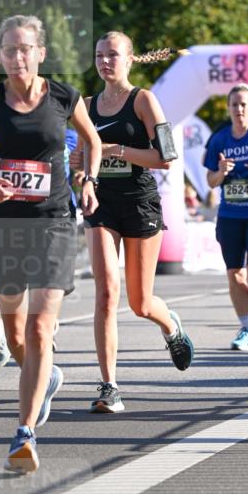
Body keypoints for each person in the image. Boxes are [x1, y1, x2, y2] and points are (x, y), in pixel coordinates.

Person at [0, 14, 103, 472]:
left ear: (40, 52)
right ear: (0, 57)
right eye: (9, 50)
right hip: (5, 225)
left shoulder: (62, 96)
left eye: (26, 49)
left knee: (39, 328)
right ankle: (45, 378)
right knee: (15, 331)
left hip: (54, 221)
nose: (18, 57)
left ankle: (25, 433)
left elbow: (91, 141)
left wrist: (88, 180)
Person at [78, 31, 194, 412]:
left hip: (140, 203)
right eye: (99, 55)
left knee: (140, 302)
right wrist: (81, 175)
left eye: (113, 55)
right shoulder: (87, 105)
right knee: (106, 293)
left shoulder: (143, 100)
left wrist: (116, 150)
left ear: (130, 59)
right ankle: (109, 386)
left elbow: (166, 157)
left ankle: (170, 327)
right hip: (102, 205)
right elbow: (78, 158)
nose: (105, 61)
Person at [204, 83, 248, 350]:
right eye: (234, 104)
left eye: (243, 104)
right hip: (230, 213)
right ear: (229, 107)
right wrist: (221, 171)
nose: (239, 109)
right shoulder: (220, 139)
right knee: (235, 274)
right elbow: (211, 181)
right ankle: (246, 328)